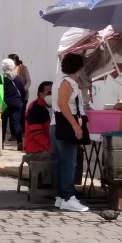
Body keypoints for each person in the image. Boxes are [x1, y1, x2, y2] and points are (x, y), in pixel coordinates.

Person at [51, 53, 89, 212]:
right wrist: (75, 125)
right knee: (69, 164)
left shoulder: (59, 81)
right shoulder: (68, 83)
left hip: (56, 125)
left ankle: (61, 196)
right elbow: (63, 104)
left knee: (62, 163)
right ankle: (68, 197)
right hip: (65, 125)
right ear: (79, 67)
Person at [0, 58, 27, 150]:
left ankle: (1, 143)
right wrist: (20, 101)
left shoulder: (0, 78)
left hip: (4, 104)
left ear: (3, 68)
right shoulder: (19, 79)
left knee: (3, 124)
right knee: (16, 123)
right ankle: (19, 142)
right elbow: (23, 92)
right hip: (16, 103)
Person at [24, 81, 53, 161]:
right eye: (49, 93)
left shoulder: (57, 107)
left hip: (50, 146)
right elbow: (37, 133)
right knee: (54, 160)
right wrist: (50, 147)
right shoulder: (34, 108)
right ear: (41, 94)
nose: (52, 95)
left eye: (55, 92)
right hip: (36, 149)